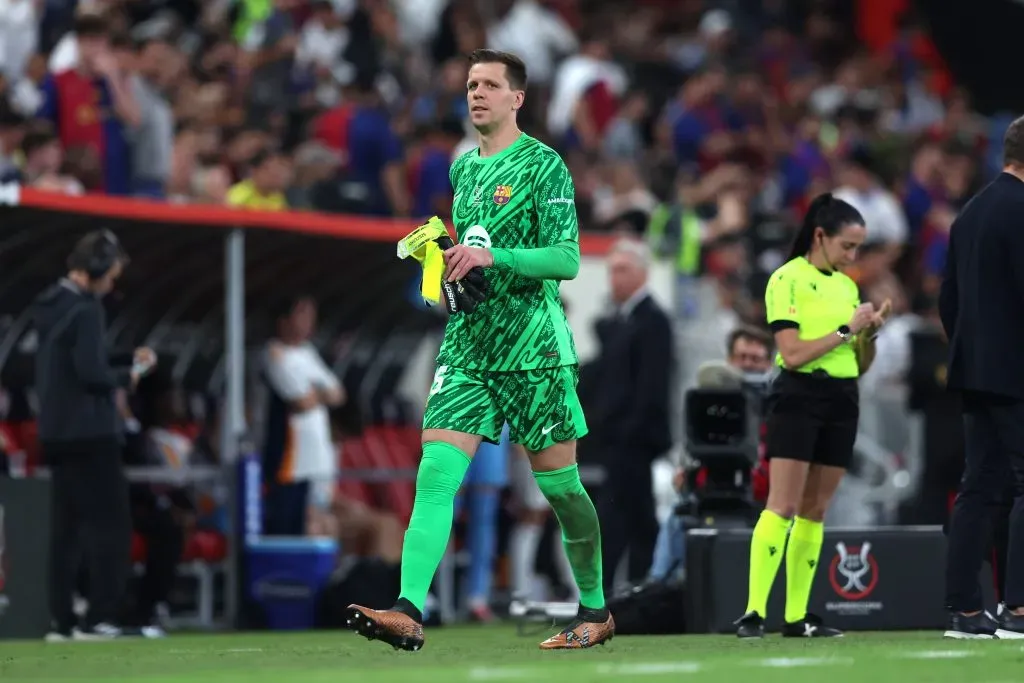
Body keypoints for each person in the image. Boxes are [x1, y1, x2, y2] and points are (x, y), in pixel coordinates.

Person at [345, 49, 612, 651]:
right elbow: (472, 253)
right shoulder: (464, 170)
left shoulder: (544, 165)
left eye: (491, 85)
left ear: (517, 98)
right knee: (435, 473)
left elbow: (566, 258)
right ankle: (408, 609)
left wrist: (494, 256)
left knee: (562, 489)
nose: (477, 93)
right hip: (468, 347)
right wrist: (446, 268)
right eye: (470, 84)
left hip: (533, 349)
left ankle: (594, 608)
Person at [734, 193, 887, 639]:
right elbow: (792, 353)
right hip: (799, 395)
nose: (852, 256)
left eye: (857, 248)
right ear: (820, 236)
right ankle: (754, 612)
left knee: (815, 510)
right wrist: (846, 331)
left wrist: (870, 336)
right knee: (782, 504)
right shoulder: (787, 279)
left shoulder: (847, 287)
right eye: (847, 246)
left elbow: (858, 363)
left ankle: (797, 617)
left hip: (842, 396)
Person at [33, 230, 156, 640]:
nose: (113, 283)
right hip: (91, 433)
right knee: (112, 525)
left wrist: (121, 356)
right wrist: (131, 374)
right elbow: (92, 375)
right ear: (97, 268)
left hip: (57, 433)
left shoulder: (51, 303)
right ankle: (100, 617)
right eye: (112, 274)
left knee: (65, 530)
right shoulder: (87, 310)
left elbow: (74, 360)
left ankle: (62, 619)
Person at [939, 115, 1024, 639]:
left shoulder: (969, 213)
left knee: (980, 486)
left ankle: (965, 611)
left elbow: (949, 298)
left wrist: (971, 349)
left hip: (974, 369)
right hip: (1017, 370)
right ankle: (1018, 609)